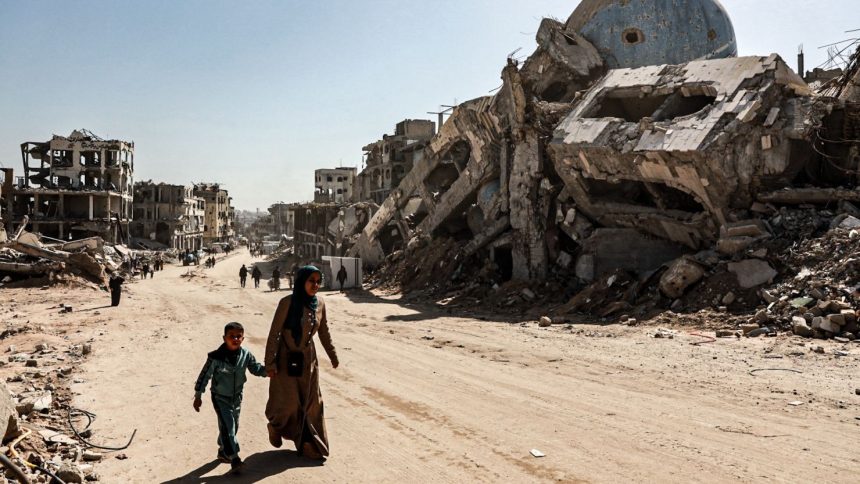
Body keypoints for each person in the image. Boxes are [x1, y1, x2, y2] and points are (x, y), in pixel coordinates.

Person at [264, 266, 339, 460]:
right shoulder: (287, 302)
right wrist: (270, 364)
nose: (315, 285)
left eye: (318, 281)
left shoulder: (320, 303)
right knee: (288, 403)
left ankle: (309, 444)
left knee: (312, 403)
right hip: (285, 359)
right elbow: (274, 334)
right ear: (301, 282)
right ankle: (275, 427)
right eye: (311, 281)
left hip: (308, 361)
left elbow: (324, 332)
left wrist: (333, 355)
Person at [194, 322, 267, 473]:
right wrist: (198, 395)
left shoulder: (245, 355)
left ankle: (223, 451)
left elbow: (255, 368)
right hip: (220, 397)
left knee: (233, 425)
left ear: (243, 338)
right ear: (224, 338)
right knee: (229, 426)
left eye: (238, 336)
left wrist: (269, 372)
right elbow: (204, 375)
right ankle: (234, 458)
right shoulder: (216, 357)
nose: (235, 339)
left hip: (237, 397)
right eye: (231, 336)